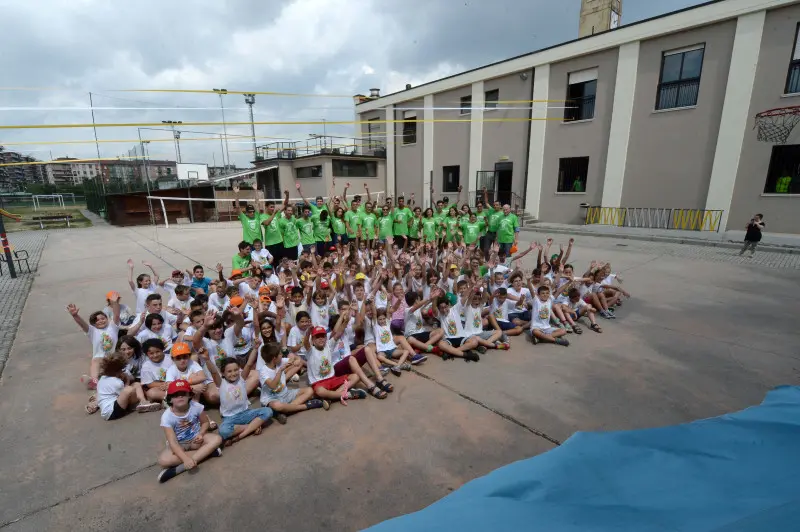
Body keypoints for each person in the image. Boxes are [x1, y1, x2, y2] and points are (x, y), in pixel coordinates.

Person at [203, 341, 274, 445]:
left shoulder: (241, 378)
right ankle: (253, 427)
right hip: (230, 418)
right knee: (223, 431)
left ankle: (240, 436)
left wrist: (255, 348)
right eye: (229, 371)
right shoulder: (221, 383)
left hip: (246, 413)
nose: (233, 373)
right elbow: (213, 371)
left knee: (268, 411)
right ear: (223, 373)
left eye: (236, 370)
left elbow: (249, 364)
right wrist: (206, 359)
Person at [156, 379, 223, 483]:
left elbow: (205, 423)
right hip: (179, 445)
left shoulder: (196, 407)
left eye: (183, 393)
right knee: (163, 460)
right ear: (170, 399)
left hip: (196, 440)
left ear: (190, 395)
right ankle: (208, 453)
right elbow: (173, 442)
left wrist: (201, 434)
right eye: (176, 395)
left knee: (217, 439)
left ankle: (179, 469)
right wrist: (185, 458)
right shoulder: (167, 417)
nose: (180, 396)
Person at [68, 292, 121, 392]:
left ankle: (103, 380)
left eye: (103, 318)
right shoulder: (92, 331)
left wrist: (115, 303)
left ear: (107, 319)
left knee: (111, 376)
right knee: (95, 360)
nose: (100, 321)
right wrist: (75, 315)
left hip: (113, 357)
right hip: (100, 360)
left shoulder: (113, 327)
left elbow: (117, 315)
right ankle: (94, 382)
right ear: (93, 324)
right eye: (97, 320)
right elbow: (82, 324)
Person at [94, 352, 161, 419]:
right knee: (129, 390)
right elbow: (126, 390)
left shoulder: (102, 378)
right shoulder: (116, 382)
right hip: (112, 412)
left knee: (136, 384)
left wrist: (125, 376)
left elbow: (132, 379)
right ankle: (138, 404)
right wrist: (127, 380)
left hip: (112, 406)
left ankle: (143, 402)